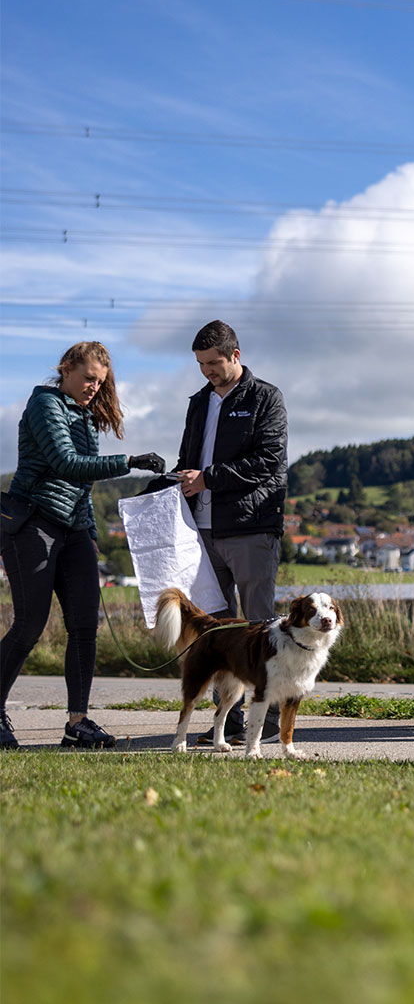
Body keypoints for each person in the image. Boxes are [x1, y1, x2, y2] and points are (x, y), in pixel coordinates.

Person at [0, 342, 165, 750]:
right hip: (33, 523)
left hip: (74, 531)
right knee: (29, 626)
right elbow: (66, 463)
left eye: (100, 382)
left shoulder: (86, 416)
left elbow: (82, 488)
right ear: (66, 369)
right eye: (89, 378)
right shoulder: (45, 404)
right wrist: (128, 461)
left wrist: (89, 535)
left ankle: (77, 722)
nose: (94, 388)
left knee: (84, 627)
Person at [175, 320, 288, 745]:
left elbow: (268, 461)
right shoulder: (198, 402)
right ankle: (231, 721)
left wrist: (208, 478)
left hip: (251, 528)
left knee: (261, 626)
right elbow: (190, 456)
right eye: (201, 364)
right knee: (220, 633)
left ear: (235, 356)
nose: (207, 371)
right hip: (202, 530)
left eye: (214, 363)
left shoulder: (266, 398)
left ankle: (270, 720)